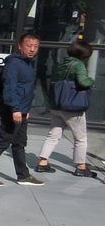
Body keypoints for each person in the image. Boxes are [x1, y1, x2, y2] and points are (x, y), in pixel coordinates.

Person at [0, 33, 43, 187]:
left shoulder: (27, 63)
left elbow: (24, 89)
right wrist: (16, 109)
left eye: (35, 46)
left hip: (22, 110)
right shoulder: (14, 64)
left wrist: (25, 109)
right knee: (3, 141)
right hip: (12, 110)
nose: (32, 49)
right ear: (20, 46)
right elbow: (10, 88)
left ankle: (23, 176)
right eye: (28, 46)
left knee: (19, 143)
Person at [35, 39, 97, 178]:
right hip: (72, 108)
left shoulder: (61, 64)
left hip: (57, 106)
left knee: (53, 135)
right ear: (83, 54)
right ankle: (81, 167)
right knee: (80, 138)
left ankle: (42, 162)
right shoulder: (79, 65)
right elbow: (83, 82)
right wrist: (91, 81)